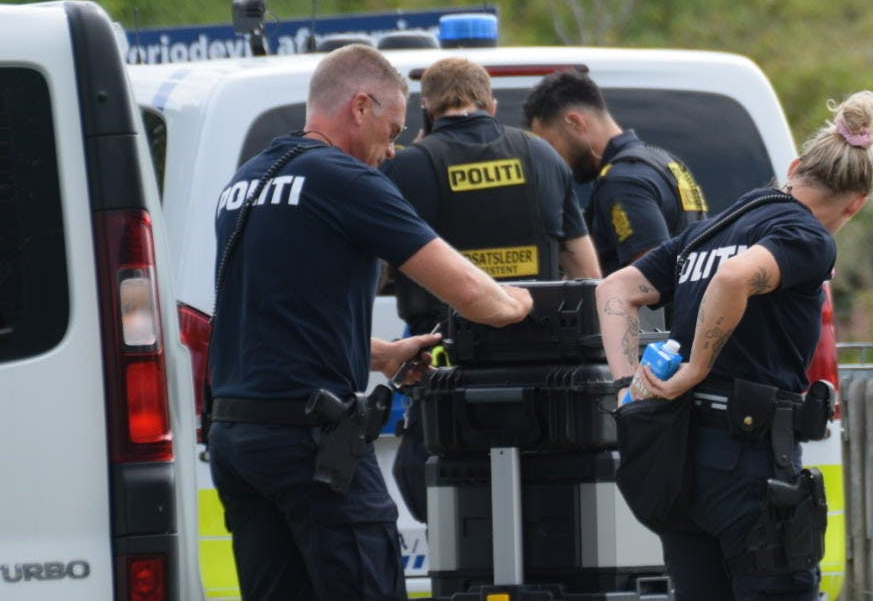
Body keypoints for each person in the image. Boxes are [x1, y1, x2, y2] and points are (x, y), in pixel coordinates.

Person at [206, 44, 533, 601]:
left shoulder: (248, 180)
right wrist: (524, 303)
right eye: (393, 128)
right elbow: (473, 294)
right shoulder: (344, 179)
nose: (394, 147)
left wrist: (382, 355)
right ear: (360, 106)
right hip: (308, 445)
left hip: (238, 441)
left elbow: (278, 314)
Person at [595, 91, 873, 600]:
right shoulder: (807, 235)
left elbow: (615, 288)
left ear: (794, 169)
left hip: (678, 454)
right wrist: (697, 365)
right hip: (746, 457)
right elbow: (734, 278)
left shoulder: (711, 230)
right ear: (856, 203)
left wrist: (627, 386)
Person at [380, 56, 599, 522]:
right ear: (491, 105)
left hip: (444, 374)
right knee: (547, 511)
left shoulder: (407, 168)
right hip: (543, 378)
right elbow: (586, 273)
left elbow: (373, 272)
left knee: (450, 510)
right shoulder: (543, 156)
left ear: (427, 109)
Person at [522, 68, 708, 275]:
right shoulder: (664, 161)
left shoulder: (622, 182)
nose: (551, 158)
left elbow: (651, 278)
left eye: (550, 145)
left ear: (575, 122)